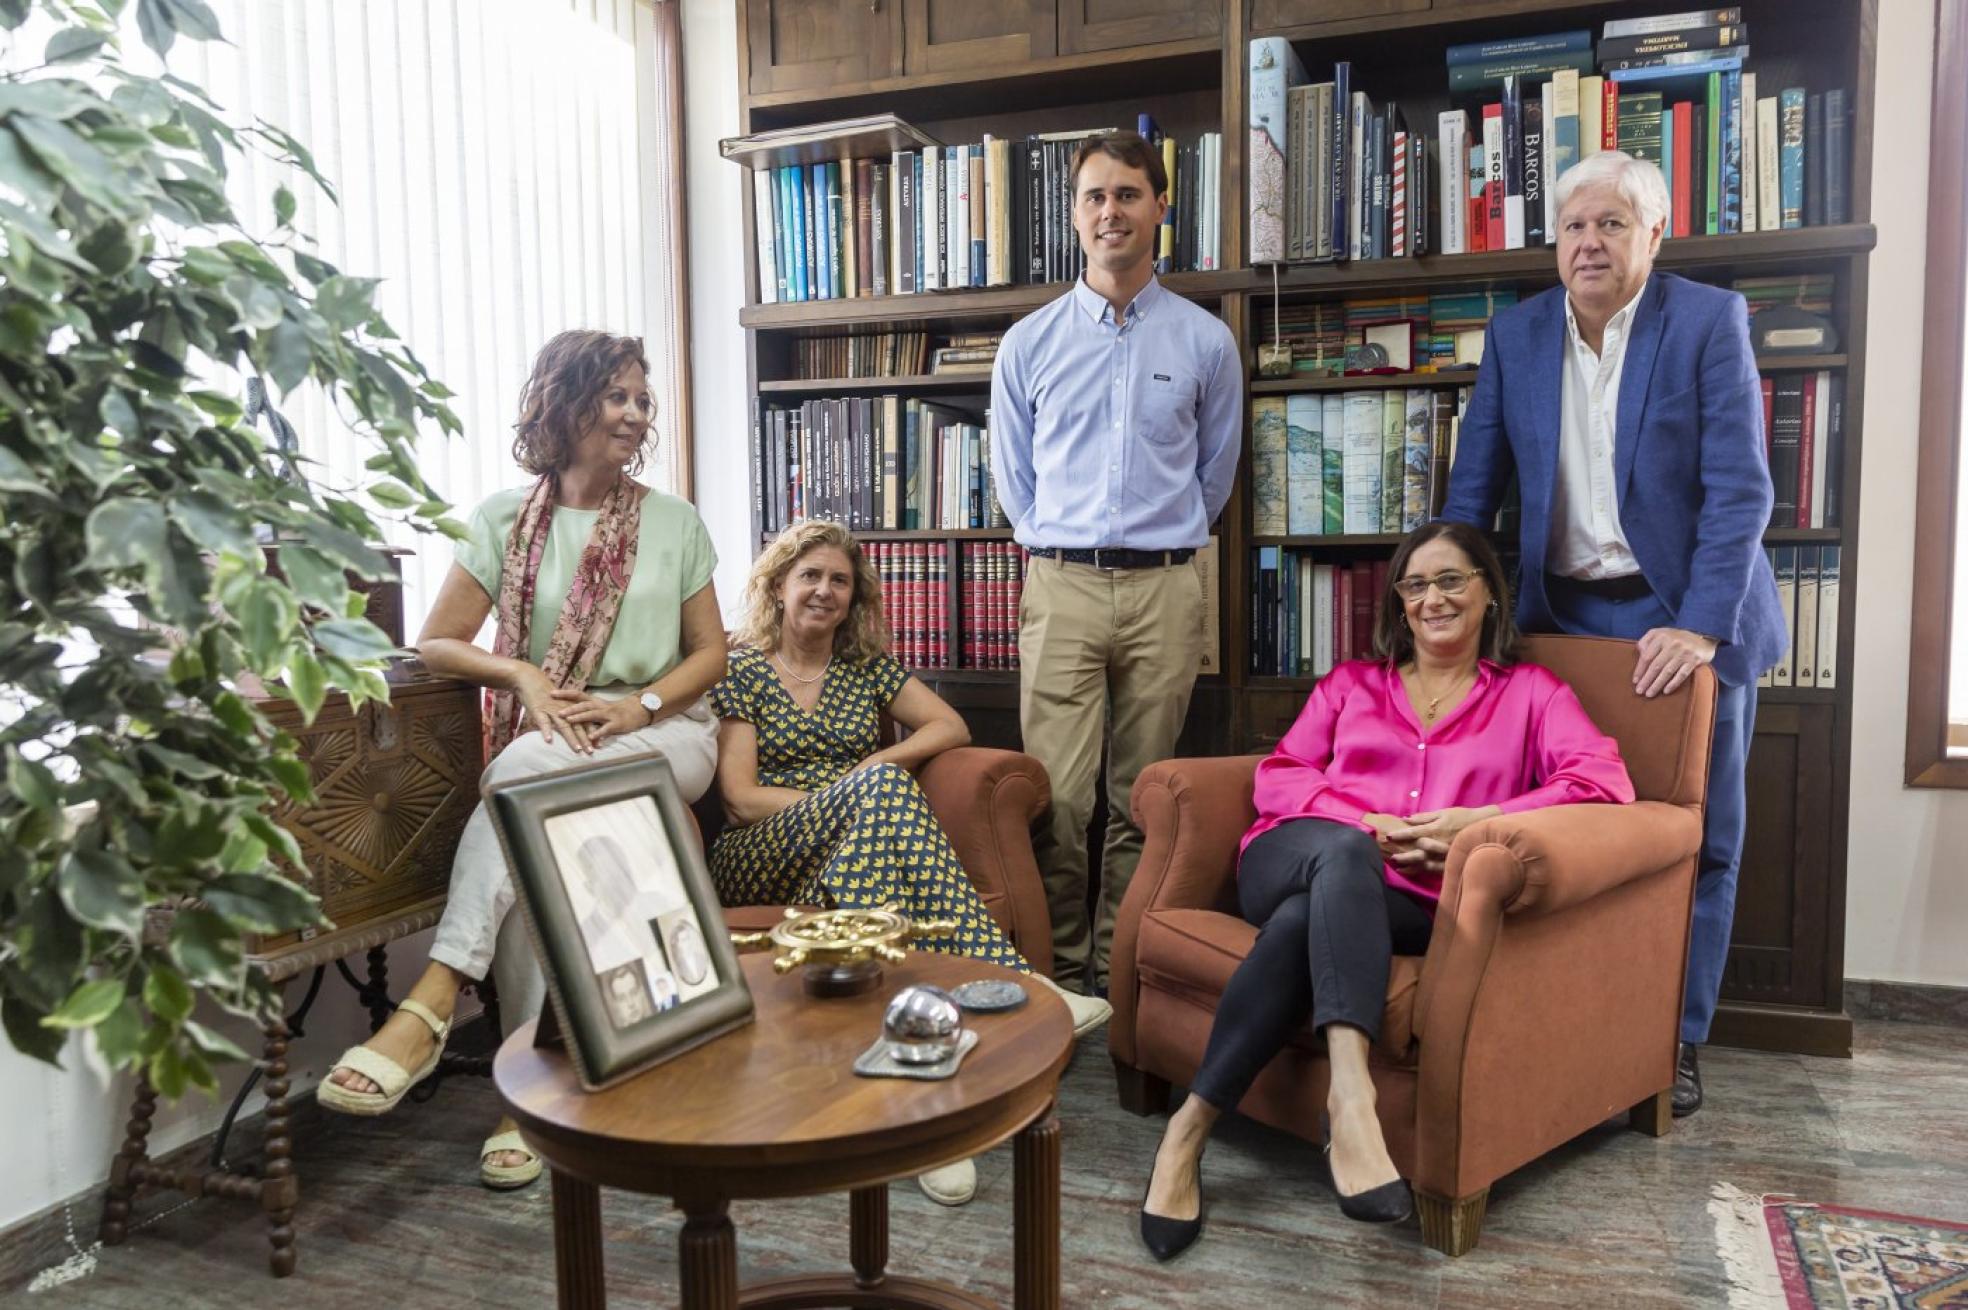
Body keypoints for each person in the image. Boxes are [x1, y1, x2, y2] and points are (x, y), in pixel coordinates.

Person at [1135, 522, 1633, 1260]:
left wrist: (1481, 820)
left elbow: (1602, 780)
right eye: (1415, 585)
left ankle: (1186, 1133)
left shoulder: (1532, 695)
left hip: (1409, 902)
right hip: (1291, 855)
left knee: (1305, 922)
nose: (1433, 599)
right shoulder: (1352, 685)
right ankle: (1353, 1098)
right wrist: (1364, 822)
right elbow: (1281, 775)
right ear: (1400, 602)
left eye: (1451, 580)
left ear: (1489, 593)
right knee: (1341, 855)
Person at [316, 331, 728, 1192]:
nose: (634, 413)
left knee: (520, 777)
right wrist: (522, 674)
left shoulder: (674, 521)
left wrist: (637, 708)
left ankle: (436, 995)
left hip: (666, 731)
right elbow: (437, 641)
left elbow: (709, 657)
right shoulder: (502, 519)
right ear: (565, 404)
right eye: (616, 396)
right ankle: (529, 1098)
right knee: (534, 823)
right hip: (552, 736)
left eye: (641, 399)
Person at [1440, 149, 1784, 1118]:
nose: (1589, 243)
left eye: (1612, 224)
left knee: (1699, 839)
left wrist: (1702, 627)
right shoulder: (1515, 336)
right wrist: (1450, 608)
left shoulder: (1707, 321)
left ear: (1654, 235)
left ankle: (1674, 1039)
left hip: (1688, 615)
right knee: (1566, 834)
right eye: (1574, 226)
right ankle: (1570, 1030)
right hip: (1562, 621)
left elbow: (1740, 491)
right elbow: (1473, 492)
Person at [711, 520, 1112, 1207]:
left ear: (854, 596)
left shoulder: (864, 666)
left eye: (840, 581)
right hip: (762, 851)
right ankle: (1020, 983)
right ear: (778, 587)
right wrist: (851, 793)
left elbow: (950, 725)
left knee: (876, 832)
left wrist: (877, 763)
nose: (825, 591)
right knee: (882, 791)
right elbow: (741, 799)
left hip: (849, 847)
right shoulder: (741, 667)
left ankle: (927, 1115)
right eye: (810, 576)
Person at [990, 131, 1242, 996]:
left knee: (1142, 798)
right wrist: (1059, 543)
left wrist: (1160, 540)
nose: (1111, 212)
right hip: (1061, 583)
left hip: (1165, 587)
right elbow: (1015, 482)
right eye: (1095, 196)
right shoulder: (1028, 344)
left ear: (1160, 207)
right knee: (1058, 801)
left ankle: (1117, 973)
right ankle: (1063, 979)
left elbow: (1214, 477)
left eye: (1128, 194)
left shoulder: (1206, 342)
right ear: (1074, 214)